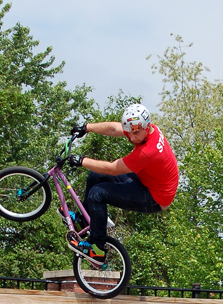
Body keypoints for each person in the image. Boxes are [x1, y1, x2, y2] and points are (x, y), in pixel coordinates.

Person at [64, 102, 179, 265]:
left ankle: (96, 249)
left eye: (135, 134)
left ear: (146, 127)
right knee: (96, 175)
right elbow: (113, 129)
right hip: (147, 181)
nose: (132, 138)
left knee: (97, 193)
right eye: (129, 133)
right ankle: (83, 220)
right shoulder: (142, 128)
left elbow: (112, 169)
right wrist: (86, 127)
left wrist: (82, 160)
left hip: (156, 197)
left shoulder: (148, 151)